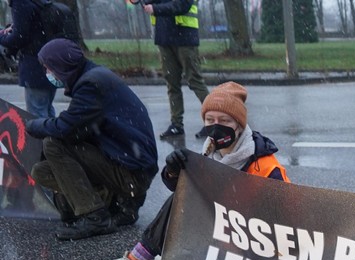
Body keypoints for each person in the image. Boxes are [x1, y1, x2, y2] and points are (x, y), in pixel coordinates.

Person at [96, 82, 290, 260]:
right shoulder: (207, 154)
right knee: (184, 193)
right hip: (222, 232)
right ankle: (140, 258)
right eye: (209, 119)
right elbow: (181, 191)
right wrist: (173, 171)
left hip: (254, 241)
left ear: (239, 126)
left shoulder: (264, 165)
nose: (216, 126)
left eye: (224, 120)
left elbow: (287, 217)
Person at [25, 38, 158, 240]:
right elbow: (78, 130)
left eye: (48, 68)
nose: (47, 74)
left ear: (61, 66)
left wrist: (34, 125)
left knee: (53, 144)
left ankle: (95, 216)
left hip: (132, 175)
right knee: (42, 171)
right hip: (129, 169)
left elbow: (64, 127)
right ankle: (117, 204)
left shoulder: (91, 84)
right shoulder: (95, 76)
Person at [141, 0, 209, 139]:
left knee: (195, 81)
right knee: (172, 83)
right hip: (164, 38)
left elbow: (182, 5)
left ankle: (214, 124)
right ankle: (176, 125)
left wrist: (155, 8)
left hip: (185, 38)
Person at [0, 0, 63, 117]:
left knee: (36, 114)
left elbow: (19, 37)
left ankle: (42, 136)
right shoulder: (38, 2)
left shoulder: (20, 3)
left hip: (34, 66)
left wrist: (2, 36)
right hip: (50, 62)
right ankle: (50, 135)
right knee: (47, 110)